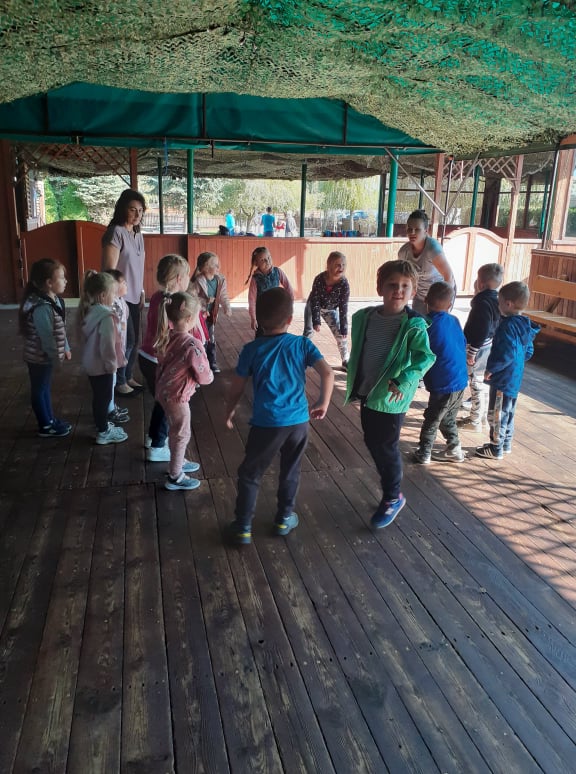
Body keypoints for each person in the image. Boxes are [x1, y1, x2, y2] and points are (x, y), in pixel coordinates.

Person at [225, 287, 334, 545]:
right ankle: (284, 518)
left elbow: (237, 387)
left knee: (250, 473)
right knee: (290, 470)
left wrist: (229, 410)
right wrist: (323, 402)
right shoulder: (302, 344)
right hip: (298, 423)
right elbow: (328, 373)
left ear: (259, 319)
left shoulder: (251, 349)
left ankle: (243, 526)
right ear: (289, 319)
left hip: (267, 424)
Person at [345, 260, 435, 528]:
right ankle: (390, 487)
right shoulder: (367, 317)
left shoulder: (413, 325)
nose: (398, 290)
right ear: (380, 288)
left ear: (413, 291)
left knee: (386, 446)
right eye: (392, 285)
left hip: (392, 398)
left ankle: (393, 496)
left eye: (405, 286)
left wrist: (404, 379)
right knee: (373, 441)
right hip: (369, 392)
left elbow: (425, 357)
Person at [155, 292, 214, 490]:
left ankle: (177, 462)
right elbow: (204, 375)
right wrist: (210, 376)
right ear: (189, 318)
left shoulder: (167, 335)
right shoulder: (192, 344)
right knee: (181, 433)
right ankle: (175, 476)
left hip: (164, 391)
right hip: (177, 396)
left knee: (176, 430)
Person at [475, 281, 540, 460]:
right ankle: (506, 443)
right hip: (515, 377)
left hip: (502, 379)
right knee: (508, 411)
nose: (498, 305)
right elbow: (528, 351)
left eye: (499, 302)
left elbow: (506, 352)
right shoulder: (525, 325)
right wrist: (517, 363)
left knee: (497, 412)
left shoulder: (507, 326)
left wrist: (491, 368)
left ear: (508, 304)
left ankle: (496, 447)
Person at [139, 254, 191, 462]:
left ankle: (153, 438)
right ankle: (158, 447)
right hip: (159, 361)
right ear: (179, 278)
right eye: (187, 275)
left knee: (161, 401)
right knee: (168, 405)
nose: (188, 279)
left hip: (146, 357)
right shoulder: (177, 303)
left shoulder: (157, 297)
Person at [412, 281, 468, 464]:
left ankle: (424, 452)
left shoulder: (425, 325)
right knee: (448, 416)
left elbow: (419, 352)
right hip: (460, 379)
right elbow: (462, 343)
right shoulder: (454, 320)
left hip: (443, 382)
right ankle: (454, 448)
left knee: (433, 418)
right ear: (450, 304)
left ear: (426, 300)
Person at [19, 258, 72, 437]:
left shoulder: (54, 300)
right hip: (39, 357)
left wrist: (65, 347)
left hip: (46, 356)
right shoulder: (41, 307)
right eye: (62, 278)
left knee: (44, 388)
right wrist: (55, 357)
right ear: (49, 283)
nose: (66, 281)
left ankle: (50, 419)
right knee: (39, 389)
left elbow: (60, 328)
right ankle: (45, 425)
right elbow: (47, 338)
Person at [101, 188, 147, 394]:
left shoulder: (137, 235)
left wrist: (142, 290)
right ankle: (119, 382)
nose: (137, 214)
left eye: (140, 210)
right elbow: (109, 271)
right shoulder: (115, 232)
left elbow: (137, 267)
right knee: (124, 342)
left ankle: (128, 376)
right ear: (122, 209)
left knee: (134, 341)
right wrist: (114, 297)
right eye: (132, 210)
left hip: (135, 294)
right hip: (119, 297)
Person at [79, 271, 128, 445]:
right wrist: (111, 365)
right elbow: (107, 345)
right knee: (104, 399)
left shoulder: (91, 311)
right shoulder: (106, 317)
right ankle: (103, 432)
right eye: (113, 293)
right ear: (102, 295)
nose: (115, 297)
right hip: (103, 367)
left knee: (99, 397)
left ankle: (101, 425)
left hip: (92, 365)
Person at [458, 263, 504, 431]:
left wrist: (472, 352)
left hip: (479, 348)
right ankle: (482, 417)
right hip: (490, 345)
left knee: (475, 382)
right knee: (481, 382)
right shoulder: (498, 300)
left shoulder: (481, 303)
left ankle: (475, 420)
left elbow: (481, 328)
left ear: (481, 284)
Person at [397, 209, 456, 315]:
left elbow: (449, 277)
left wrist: (445, 302)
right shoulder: (403, 252)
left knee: (436, 322)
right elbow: (402, 278)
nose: (412, 232)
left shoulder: (433, 249)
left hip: (440, 294)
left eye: (417, 229)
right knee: (417, 321)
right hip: (420, 295)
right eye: (409, 229)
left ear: (425, 230)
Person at [303, 250, 350, 368]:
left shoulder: (344, 284)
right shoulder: (319, 279)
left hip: (330, 309)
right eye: (337, 265)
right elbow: (315, 300)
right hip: (314, 305)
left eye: (343, 265)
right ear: (329, 266)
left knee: (340, 334)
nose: (341, 267)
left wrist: (344, 327)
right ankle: (301, 356)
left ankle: (345, 359)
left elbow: (343, 307)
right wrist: (316, 321)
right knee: (308, 332)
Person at [189, 251, 232, 373]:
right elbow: (191, 298)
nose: (218, 267)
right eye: (215, 265)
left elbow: (223, 295)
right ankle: (200, 362)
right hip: (199, 316)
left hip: (211, 315)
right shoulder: (198, 281)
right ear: (205, 268)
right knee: (200, 338)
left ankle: (212, 362)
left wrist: (227, 307)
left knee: (211, 337)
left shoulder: (220, 280)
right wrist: (205, 301)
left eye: (218, 264)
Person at [103, 268, 131, 425]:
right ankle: (109, 410)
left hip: (118, 347)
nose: (126, 285)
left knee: (112, 381)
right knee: (109, 382)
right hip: (111, 350)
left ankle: (111, 406)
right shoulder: (111, 304)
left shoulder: (121, 301)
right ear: (113, 286)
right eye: (123, 282)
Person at [245, 246, 294, 336]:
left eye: (268, 257)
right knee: (261, 336)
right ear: (256, 263)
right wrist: (253, 318)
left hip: (277, 310)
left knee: (278, 334)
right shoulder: (255, 279)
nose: (267, 261)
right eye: (262, 260)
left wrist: (289, 304)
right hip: (262, 313)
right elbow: (251, 300)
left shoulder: (278, 272)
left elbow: (288, 287)